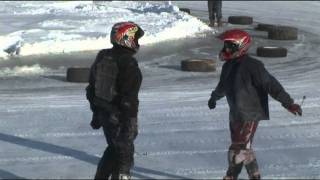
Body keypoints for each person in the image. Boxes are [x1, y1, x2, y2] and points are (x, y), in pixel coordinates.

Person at [208, 29, 302, 180]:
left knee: (237, 149)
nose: (225, 49)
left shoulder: (253, 65)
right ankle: (255, 176)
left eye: (229, 46)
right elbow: (222, 87)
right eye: (225, 45)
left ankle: (230, 177)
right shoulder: (228, 66)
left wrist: (288, 103)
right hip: (236, 114)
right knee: (244, 148)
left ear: (240, 46)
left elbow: (271, 84)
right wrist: (214, 98)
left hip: (250, 114)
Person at [86, 21, 144, 180]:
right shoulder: (128, 62)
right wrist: (129, 121)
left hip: (104, 113)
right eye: (135, 38)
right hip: (120, 116)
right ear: (126, 38)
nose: (137, 42)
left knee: (113, 148)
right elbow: (129, 98)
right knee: (124, 156)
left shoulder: (103, 55)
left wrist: (96, 112)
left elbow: (91, 88)